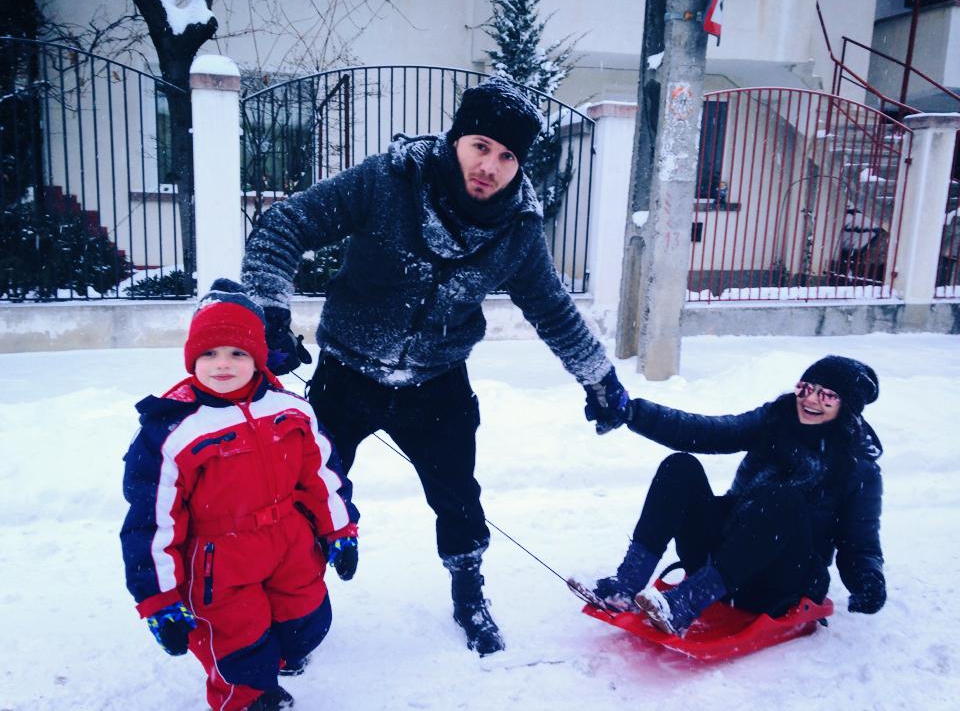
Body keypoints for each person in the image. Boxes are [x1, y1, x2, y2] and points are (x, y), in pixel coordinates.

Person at [240, 75, 628, 656]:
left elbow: (551, 307)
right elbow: (285, 224)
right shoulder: (388, 181)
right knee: (308, 495)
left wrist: (599, 376)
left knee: (458, 499)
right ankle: (296, 609)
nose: (490, 166)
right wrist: (267, 312)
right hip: (346, 373)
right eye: (480, 147)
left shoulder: (518, 231)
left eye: (506, 156)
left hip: (437, 382)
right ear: (456, 141)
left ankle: (468, 593)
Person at [120, 279, 360, 711]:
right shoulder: (172, 429)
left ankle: (281, 657)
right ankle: (249, 697)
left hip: (289, 543)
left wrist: (341, 531)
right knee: (237, 645)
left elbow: (323, 476)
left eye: (237, 353)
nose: (222, 364)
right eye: (209, 353)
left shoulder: (290, 409)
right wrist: (159, 599)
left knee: (305, 620)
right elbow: (152, 523)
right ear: (193, 358)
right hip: (219, 560)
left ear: (259, 357)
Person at [590, 355, 886, 637]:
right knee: (680, 466)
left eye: (826, 395)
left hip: (779, 582)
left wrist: (867, 581)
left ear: (847, 407)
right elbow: (706, 431)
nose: (810, 399)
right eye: (806, 388)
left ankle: (687, 602)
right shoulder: (774, 420)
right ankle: (626, 587)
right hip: (722, 558)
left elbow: (860, 544)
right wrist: (631, 412)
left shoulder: (858, 468)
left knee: (781, 498)